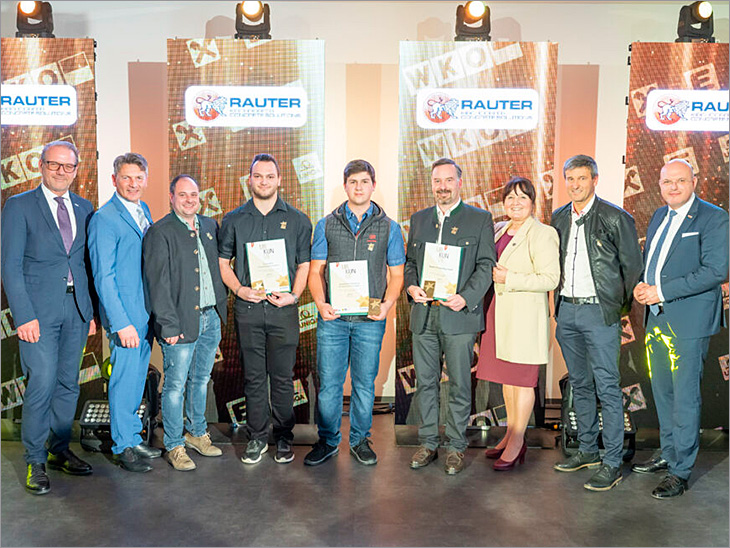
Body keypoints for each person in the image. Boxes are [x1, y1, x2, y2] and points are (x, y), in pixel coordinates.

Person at [1, 141, 96, 494]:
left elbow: (86, 264)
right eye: (54, 165)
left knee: (69, 383)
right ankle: (35, 460)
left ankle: (58, 450)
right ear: (40, 166)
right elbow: (9, 266)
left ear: (75, 170)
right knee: (41, 382)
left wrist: (91, 312)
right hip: (37, 314)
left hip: (76, 309)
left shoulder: (85, 207)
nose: (61, 171)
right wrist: (23, 315)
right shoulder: (19, 205)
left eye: (68, 166)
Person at [632, 159, 728, 499]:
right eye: (667, 181)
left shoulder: (713, 217)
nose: (673, 187)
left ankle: (680, 470)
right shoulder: (660, 215)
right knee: (663, 392)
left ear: (695, 181)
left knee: (685, 396)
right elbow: (656, 264)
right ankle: (670, 452)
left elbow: (716, 271)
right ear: (659, 183)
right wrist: (645, 287)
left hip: (689, 321)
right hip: (657, 318)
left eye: (681, 181)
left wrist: (661, 291)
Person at [551, 154, 643, 491]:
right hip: (568, 311)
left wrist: (613, 307)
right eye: (570, 179)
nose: (575, 185)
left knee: (607, 386)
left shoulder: (616, 218)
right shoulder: (558, 217)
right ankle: (587, 450)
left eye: (582, 179)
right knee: (580, 383)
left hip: (599, 313)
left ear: (595, 180)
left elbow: (632, 269)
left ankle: (612, 461)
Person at [304, 159, 404, 466]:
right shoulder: (325, 224)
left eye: (364, 182)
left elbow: (397, 274)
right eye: (352, 182)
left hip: (370, 318)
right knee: (330, 384)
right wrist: (321, 304)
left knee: (364, 383)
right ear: (345, 185)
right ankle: (328, 440)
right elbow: (315, 270)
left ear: (373, 185)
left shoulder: (389, 227)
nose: (358, 187)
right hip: (333, 318)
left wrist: (386, 305)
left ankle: (360, 440)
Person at [218, 154, 312, 465]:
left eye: (270, 176)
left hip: (283, 311)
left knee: (283, 378)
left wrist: (295, 295)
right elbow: (223, 264)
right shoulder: (232, 220)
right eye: (258, 176)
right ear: (249, 179)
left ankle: (283, 436)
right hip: (248, 310)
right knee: (255, 378)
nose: (264, 181)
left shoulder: (298, 220)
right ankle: (257, 437)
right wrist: (240, 289)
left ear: (279, 179)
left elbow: (304, 265)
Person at [405, 158, 495, 475]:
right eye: (436, 181)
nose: (442, 186)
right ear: (431, 184)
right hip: (424, 316)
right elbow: (410, 263)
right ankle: (428, 443)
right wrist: (411, 286)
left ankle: (455, 447)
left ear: (459, 182)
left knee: (458, 385)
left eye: (448, 180)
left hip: (459, 316)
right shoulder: (418, 220)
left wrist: (466, 298)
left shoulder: (480, 219)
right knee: (426, 384)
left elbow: (486, 266)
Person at [143, 175, 228, 471]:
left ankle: (196, 433)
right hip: (179, 322)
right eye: (183, 195)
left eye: (194, 194)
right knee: (176, 385)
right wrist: (167, 325)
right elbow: (157, 284)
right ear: (171, 197)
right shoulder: (160, 231)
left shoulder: (209, 226)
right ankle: (175, 444)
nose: (190, 199)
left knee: (201, 380)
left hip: (210, 317)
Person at [476, 177, 560, 471]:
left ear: (533, 203)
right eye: (510, 197)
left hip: (524, 316)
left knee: (522, 379)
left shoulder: (543, 233)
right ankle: (511, 432)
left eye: (522, 198)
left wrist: (509, 278)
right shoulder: (498, 228)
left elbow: (550, 279)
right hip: (498, 313)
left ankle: (518, 440)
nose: (515, 203)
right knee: (507, 379)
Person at [88, 152, 161, 473]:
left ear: (146, 179)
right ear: (114, 179)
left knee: (135, 382)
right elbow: (103, 276)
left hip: (146, 314)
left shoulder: (142, 209)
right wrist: (120, 323)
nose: (133, 184)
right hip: (126, 319)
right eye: (127, 178)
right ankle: (121, 445)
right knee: (122, 380)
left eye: (139, 177)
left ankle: (132, 437)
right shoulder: (104, 218)